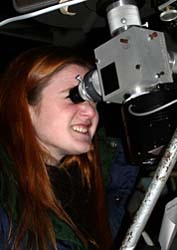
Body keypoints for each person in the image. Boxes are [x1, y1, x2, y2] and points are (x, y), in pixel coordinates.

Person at [0, 46, 113, 250]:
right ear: (26, 107)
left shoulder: (93, 182)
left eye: (94, 100)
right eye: (74, 96)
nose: (90, 111)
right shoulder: (6, 194)